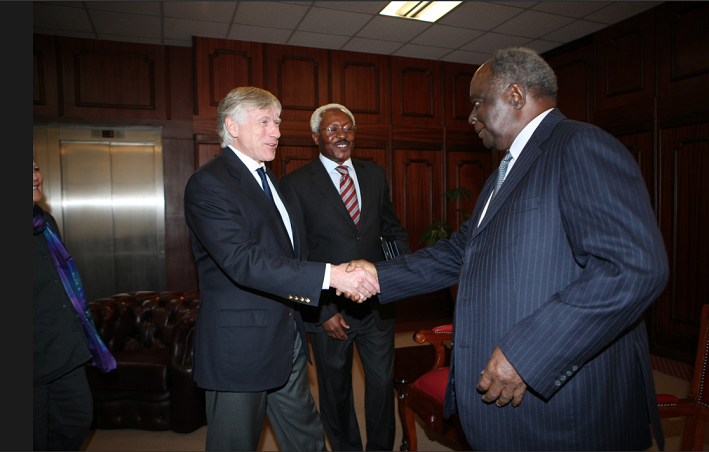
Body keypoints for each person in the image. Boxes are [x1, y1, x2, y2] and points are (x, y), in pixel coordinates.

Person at [345, 47, 669, 450]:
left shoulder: (580, 146)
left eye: (478, 101)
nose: (471, 115)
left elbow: (633, 268)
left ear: (516, 95)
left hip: (562, 407)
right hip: (508, 407)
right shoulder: (506, 170)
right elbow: (462, 250)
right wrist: (376, 275)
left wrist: (527, 354)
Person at [183, 87, 380, 451]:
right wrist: (332, 276)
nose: (276, 131)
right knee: (234, 443)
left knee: (306, 439)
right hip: (240, 348)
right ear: (233, 127)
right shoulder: (209, 183)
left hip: (286, 338)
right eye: (264, 122)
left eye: (277, 122)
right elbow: (243, 261)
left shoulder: (270, 180)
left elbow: (290, 254)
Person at [280, 104, 410, 451]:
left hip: (378, 306)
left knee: (382, 385)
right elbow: (297, 253)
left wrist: (396, 278)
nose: (341, 134)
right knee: (336, 391)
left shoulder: (374, 174)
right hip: (331, 312)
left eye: (347, 127)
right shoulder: (295, 183)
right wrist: (320, 312)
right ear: (315, 137)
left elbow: (392, 232)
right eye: (332, 129)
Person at [33, 158, 116, 450]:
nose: (35, 177)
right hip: (32, 359)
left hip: (65, 351)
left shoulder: (45, 223)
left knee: (77, 420)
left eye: (34, 168)